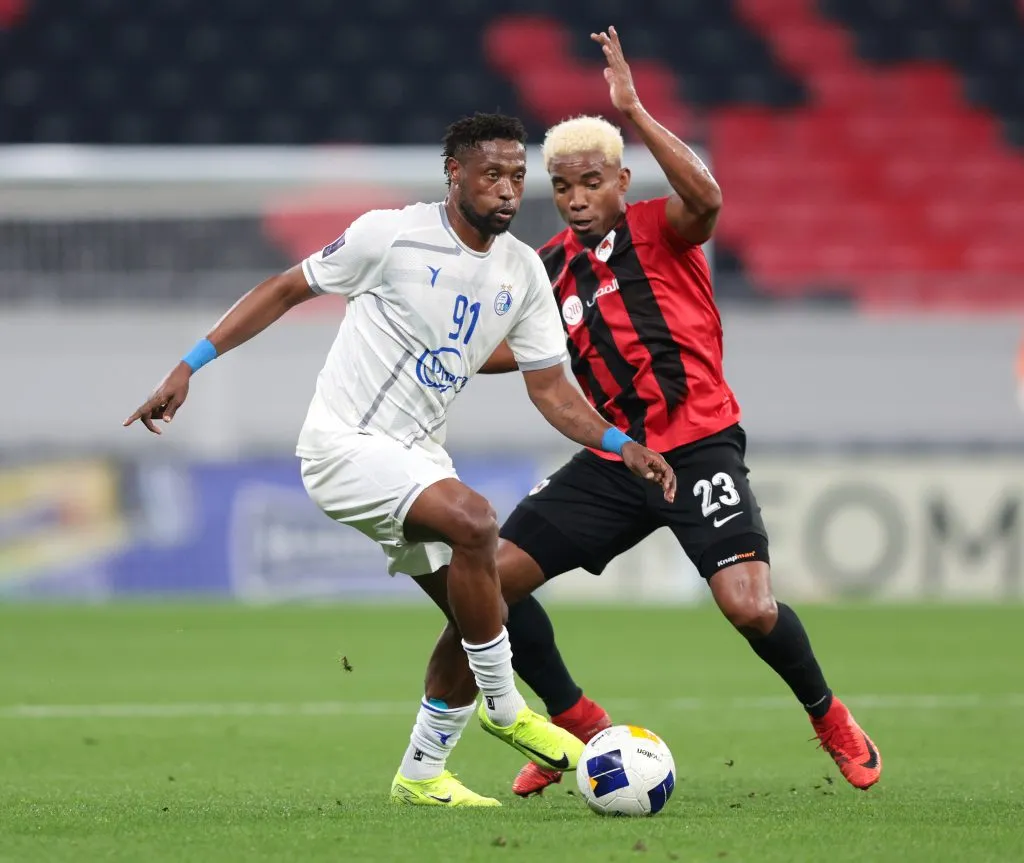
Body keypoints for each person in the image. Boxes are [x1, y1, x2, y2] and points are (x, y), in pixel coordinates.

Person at [123, 112, 676, 807]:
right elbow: (285, 288)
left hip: (416, 455)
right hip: (343, 444)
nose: (508, 190)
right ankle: (507, 709)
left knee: (483, 606)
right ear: (455, 175)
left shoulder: (523, 272)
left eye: (516, 176)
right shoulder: (389, 234)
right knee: (476, 522)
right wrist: (189, 364)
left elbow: (551, 389)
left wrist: (619, 443)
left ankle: (421, 773)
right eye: (491, 174)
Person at [425, 28, 883, 796]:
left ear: (620, 179)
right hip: (613, 457)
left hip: (699, 446)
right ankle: (573, 722)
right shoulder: (547, 267)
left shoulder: (661, 229)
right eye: (563, 187)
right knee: (489, 587)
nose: (576, 199)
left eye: (591, 184)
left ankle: (828, 713)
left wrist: (633, 107)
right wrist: (446, 356)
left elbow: (708, 197)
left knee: (749, 606)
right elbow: (522, 350)